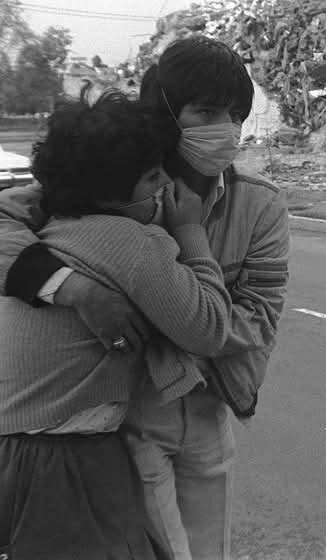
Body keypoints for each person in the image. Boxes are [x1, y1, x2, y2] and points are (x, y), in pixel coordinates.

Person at [0, 36, 290, 560]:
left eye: (236, 116)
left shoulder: (260, 205)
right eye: (206, 113)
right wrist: (75, 289)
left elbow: (260, 315)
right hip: (130, 417)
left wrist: (171, 317)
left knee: (210, 550)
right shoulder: (115, 181)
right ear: (168, 114)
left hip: (208, 405)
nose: (226, 130)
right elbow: (6, 221)